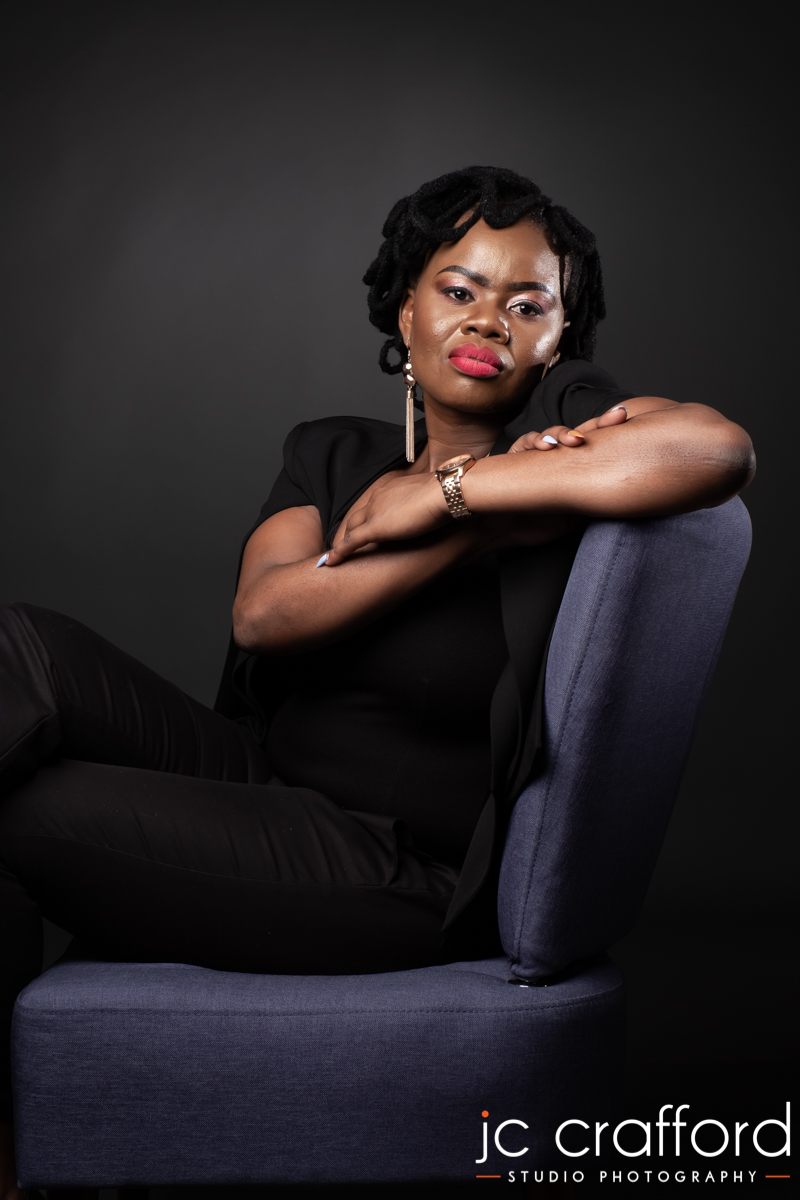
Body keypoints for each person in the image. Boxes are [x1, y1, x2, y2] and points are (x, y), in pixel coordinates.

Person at [0, 166, 753, 1198]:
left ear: (557, 340)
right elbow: (267, 614)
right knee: (21, 648)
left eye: (527, 303)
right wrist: (464, 528)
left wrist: (454, 493)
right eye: (459, 289)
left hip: (399, 867)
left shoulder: (570, 430)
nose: (487, 319)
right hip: (258, 783)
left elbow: (715, 449)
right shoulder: (330, 453)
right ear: (406, 311)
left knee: (30, 808)